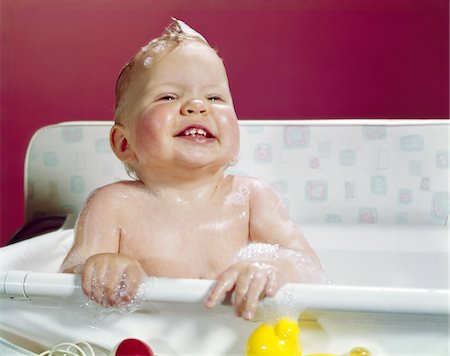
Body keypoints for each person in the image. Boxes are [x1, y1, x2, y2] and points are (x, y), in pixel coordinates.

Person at [61, 19, 326, 321]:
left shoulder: (252, 198)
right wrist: (102, 265)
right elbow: (67, 279)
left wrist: (272, 267)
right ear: (124, 143)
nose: (198, 106)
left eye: (215, 98)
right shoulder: (113, 205)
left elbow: (309, 268)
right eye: (168, 97)